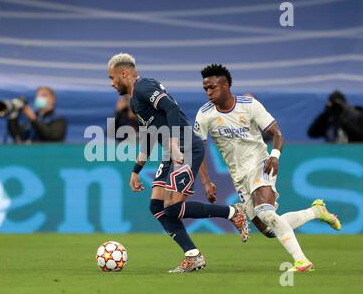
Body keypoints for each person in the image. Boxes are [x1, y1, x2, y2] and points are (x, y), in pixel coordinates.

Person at [107, 53, 249, 273]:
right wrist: (137, 169)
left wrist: (173, 144)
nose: (111, 83)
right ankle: (193, 255)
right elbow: (149, 135)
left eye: (111, 77)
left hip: (185, 147)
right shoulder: (135, 100)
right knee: (157, 206)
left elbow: (171, 108)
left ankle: (232, 213)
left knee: (172, 207)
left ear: (124, 73)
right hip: (170, 150)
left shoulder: (144, 86)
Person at [194, 64, 341, 272]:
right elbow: (198, 149)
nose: (208, 93)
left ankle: (301, 261)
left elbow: (277, 134)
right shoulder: (204, 114)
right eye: (205, 89)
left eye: (212, 88)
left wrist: (274, 156)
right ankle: (316, 211)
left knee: (265, 212)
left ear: (225, 85)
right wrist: (206, 181)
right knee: (270, 228)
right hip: (239, 175)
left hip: (260, 164)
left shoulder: (249, 105)